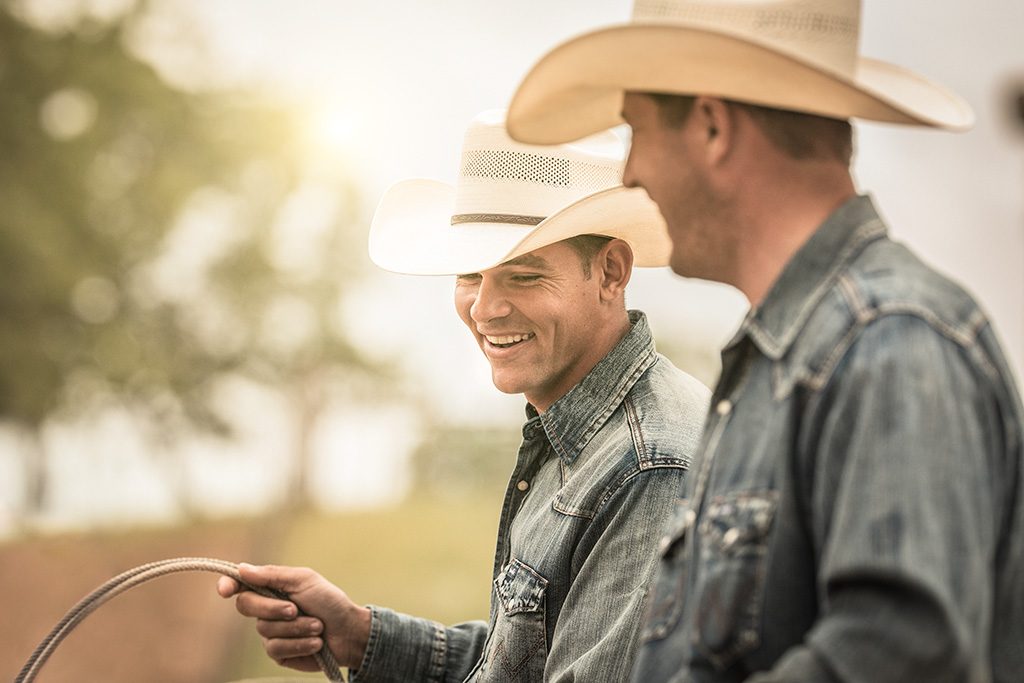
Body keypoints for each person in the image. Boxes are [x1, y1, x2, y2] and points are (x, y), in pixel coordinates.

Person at [506, 1, 1024, 682]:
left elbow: (900, 654)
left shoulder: (889, 342)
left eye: (636, 129)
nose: (630, 172)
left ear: (713, 126)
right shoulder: (798, 355)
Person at [218, 110, 711, 682]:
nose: (484, 309)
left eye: (523, 275)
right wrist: (360, 633)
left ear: (610, 272)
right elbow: (530, 655)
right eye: (469, 276)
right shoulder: (591, 439)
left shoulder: (646, 468)